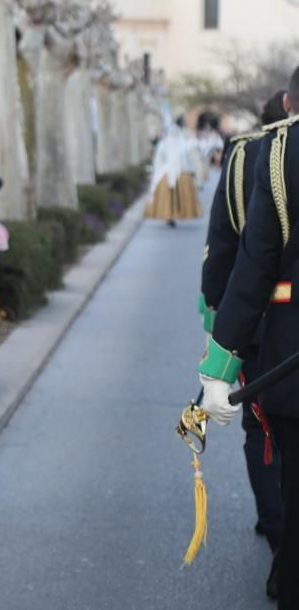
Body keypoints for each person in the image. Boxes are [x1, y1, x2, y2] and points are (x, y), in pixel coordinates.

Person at [199, 78, 299, 599]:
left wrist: (219, 360)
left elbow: (249, 259)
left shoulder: (276, 153)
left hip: (281, 342)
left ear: (290, 103)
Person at [145, 121, 203, 227]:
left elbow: (186, 160)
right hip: (168, 173)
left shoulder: (179, 144)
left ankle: (174, 215)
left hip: (179, 174)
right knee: (169, 197)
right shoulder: (167, 144)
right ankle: (169, 216)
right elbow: (159, 161)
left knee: (176, 196)